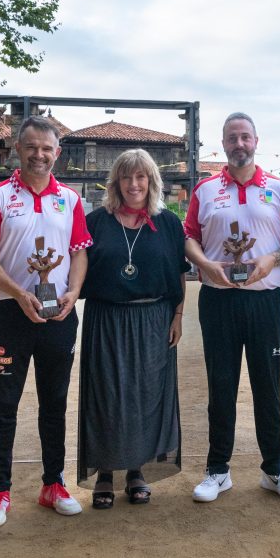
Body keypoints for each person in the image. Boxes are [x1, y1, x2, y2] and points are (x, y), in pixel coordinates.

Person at [0, 115, 91, 528]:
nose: (39, 155)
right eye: (32, 147)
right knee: (4, 406)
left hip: (59, 313)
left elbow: (79, 251)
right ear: (17, 150)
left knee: (54, 403)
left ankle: (53, 484)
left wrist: (74, 291)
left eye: (47, 148)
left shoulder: (71, 200)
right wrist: (19, 292)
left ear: (57, 154)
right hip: (11, 313)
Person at [183, 112, 280, 503]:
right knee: (221, 386)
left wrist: (274, 260)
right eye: (232, 138)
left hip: (267, 299)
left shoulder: (279, 189)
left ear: (256, 141)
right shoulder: (203, 191)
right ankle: (217, 470)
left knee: (267, 385)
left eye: (245, 137)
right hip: (218, 299)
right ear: (223, 144)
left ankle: (274, 468)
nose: (240, 144)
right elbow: (188, 238)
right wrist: (205, 265)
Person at [77, 149, 188, 508]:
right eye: (127, 177)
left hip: (154, 320)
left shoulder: (168, 223)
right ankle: (106, 473)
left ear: (152, 181)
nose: (134, 184)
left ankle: (137, 471)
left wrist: (178, 315)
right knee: (107, 393)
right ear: (116, 182)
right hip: (106, 319)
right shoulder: (96, 222)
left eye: (141, 177)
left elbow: (178, 274)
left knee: (145, 395)